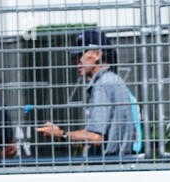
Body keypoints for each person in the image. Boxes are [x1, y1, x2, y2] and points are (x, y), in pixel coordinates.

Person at [35, 30, 137, 158]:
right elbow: (132, 134)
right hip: (117, 164)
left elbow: (96, 137)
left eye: (80, 54)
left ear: (97, 55)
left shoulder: (103, 84)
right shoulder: (114, 80)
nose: (75, 60)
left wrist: (61, 134)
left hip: (107, 167)